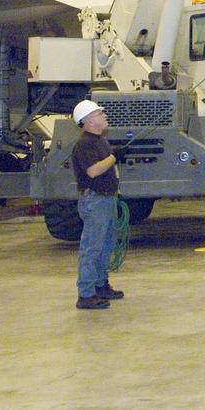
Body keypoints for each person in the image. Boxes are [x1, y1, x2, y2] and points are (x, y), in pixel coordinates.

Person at [70, 99, 123, 310]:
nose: (104, 116)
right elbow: (93, 171)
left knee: (105, 245)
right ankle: (86, 293)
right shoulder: (84, 145)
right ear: (89, 120)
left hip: (106, 198)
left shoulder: (100, 141)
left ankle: (101, 285)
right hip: (95, 200)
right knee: (92, 247)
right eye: (100, 114)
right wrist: (114, 158)